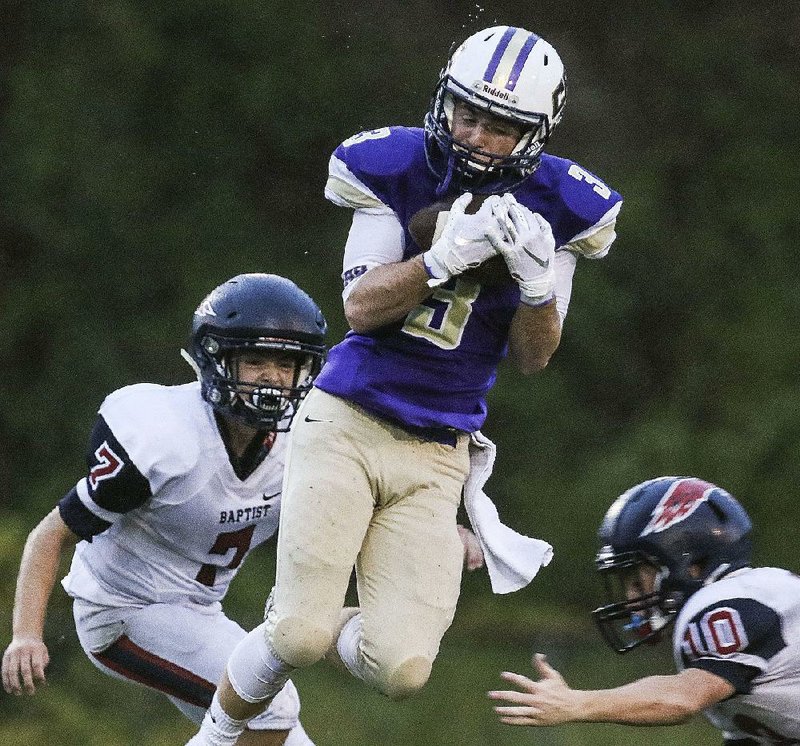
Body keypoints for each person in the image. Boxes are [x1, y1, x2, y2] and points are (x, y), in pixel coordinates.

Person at [187, 25, 621, 745]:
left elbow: (536, 357)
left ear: (537, 133)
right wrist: (440, 258)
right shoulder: (391, 165)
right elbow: (360, 308)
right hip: (347, 419)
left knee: (402, 670)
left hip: (438, 451)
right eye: (466, 113)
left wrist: (539, 286)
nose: (475, 135)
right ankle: (214, 737)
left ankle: (307, 617)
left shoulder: (568, 207)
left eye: (500, 126)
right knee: (296, 635)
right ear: (443, 100)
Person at [1, 273, 329, 746]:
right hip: (122, 611)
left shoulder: (305, 443)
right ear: (217, 361)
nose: (272, 377)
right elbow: (51, 534)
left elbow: (370, 514)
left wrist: (447, 531)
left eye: (286, 362)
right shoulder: (164, 440)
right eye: (254, 360)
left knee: (282, 731)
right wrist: (26, 634)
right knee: (271, 706)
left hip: (198, 613)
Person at [488, 476, 800, 743]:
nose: (631, 597)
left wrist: (577, 703)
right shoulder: (760, 596)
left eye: (637, 580)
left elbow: (681, 699)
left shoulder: (725, 604)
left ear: (692, 566)